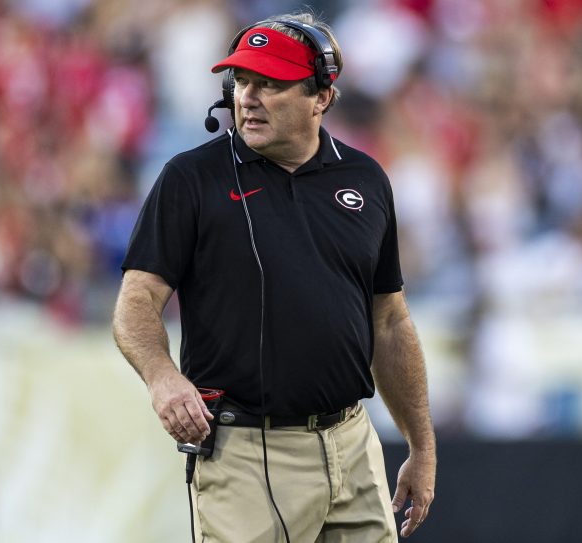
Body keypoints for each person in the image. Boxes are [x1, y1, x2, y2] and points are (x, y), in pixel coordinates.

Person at [112, 12, 436, 542]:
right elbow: (136, 301)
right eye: (241, 81)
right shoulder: (191, 179)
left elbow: (391, 321)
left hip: (353, 443)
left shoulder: (366, 180)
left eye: (271, 84)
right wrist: (162, 376)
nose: (248, 97)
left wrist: (421, 448)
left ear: (321, 97)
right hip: (246, 454)